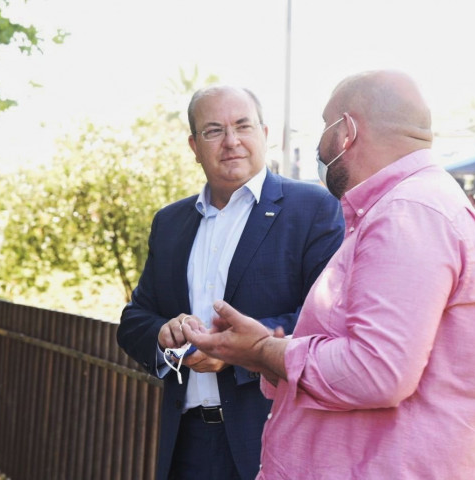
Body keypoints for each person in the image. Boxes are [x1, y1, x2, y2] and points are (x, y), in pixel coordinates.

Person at [182, 70, 475, 479]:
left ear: (346, 131)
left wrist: (264, 351)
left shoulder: (408, 213)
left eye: (324, 126)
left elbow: (375, 371)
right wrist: (262, 349)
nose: (320, 144)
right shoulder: (405, 207)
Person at [116, 85, 345, 480]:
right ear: (194, 144)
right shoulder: (170, 222)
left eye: (243, 125)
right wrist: (165, 337)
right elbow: (135, 319)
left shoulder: (314, 208)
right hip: (186, 442)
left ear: (265, 133)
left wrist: (242, 351)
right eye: (214, 130)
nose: (232, 141)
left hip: (272, 437)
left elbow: (328, 320)